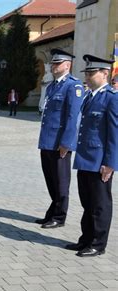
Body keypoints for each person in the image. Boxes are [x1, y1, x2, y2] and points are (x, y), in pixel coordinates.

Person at [65, 55, 117, 257]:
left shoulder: (112, 98)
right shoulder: (89, 96)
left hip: (99, 162)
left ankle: (98, 243)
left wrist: (110, 163)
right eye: (86, 73)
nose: (86, 76)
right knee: (87, 203)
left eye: (91, 73)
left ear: (105, 74)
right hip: (85, 158)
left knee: (100, 205)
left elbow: (114, 134)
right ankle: (85, 239)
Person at [36, 48, 84, 229]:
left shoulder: (73, 86)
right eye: (52, 63)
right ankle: (53, 211)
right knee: (50, 179)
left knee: (61, 181)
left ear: (67, 65)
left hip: (60, 144)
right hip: (47, 141)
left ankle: (59, 216)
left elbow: (73, 117)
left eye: (57, 63)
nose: (53, 66)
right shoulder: (53, 86)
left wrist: (66, 143)